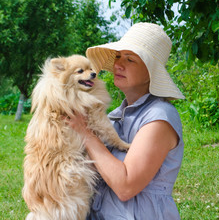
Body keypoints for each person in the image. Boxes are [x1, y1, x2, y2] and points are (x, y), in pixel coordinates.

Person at [67, 22, 185, 219]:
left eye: (130, 60)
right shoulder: (114, 116)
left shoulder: (160, 117)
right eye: (118, 56)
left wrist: (85, 133)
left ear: (151, 73)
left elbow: (126, 186)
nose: (118, 64)